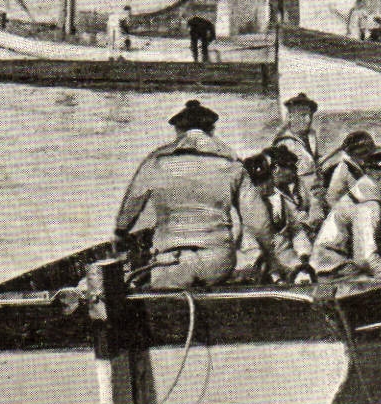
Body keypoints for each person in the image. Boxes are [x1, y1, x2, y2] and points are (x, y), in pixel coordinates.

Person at [114, 99, 274, 288]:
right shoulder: (231, 164)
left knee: (162, 286)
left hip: (171, 261)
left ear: (178, 130)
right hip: (217, 262)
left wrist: (120, 232)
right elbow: (258, 221)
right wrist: (271, 255)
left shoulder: (155, 162)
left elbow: (132, 204)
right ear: (211, 130)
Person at [310, 146, 381, 285]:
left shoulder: (366, 191)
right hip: (334, 271)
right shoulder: (369, 205)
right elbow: (365, 258)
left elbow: (380, 246)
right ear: (377, 176)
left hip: (340, 264)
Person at [242, 152, 313, 283]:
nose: (265, 186)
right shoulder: (244, 210)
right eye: (258, 183)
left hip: (289, 261)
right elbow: (248, 245)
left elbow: (296, 230)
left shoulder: (280, 201)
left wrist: (303, 254)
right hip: (259, 266)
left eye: (267, 179)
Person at [274, 92, 328, 218]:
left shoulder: (312, 136)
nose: (308, 120)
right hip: (299, 203)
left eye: (310, 116)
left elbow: (316, 162)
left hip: (317, 196)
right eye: (303, 115)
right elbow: (283, 182)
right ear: (290, 117)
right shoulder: (285, 143)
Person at [324, 130, 377, 208]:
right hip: (341, 208)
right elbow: (364, 195)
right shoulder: (348, 169)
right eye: (367, 154)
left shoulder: (349, 163)